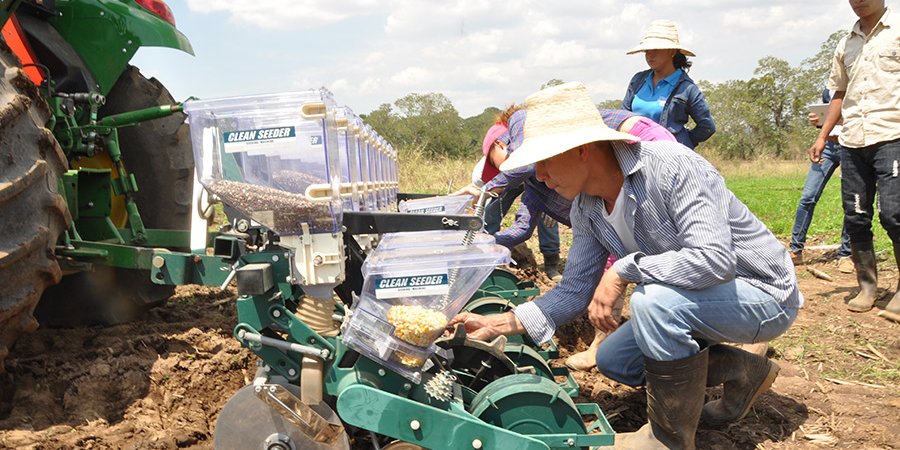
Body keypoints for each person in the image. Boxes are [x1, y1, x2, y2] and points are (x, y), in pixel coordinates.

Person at [450, 82, 800, 449]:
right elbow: (573, 292)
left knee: (653, 302)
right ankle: (744, 371)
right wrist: (495, 323)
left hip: (762, 294)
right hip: (697, 301)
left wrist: (623, 270)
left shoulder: (673, 166)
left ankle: (668, 440)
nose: (538, 176)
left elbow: (713, 260)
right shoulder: (586, 208)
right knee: (615, 360)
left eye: (544, 161)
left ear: (581, 149)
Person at [809, 0, 899, 320]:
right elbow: (839, 93)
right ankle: (868, 286)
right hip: (853, 141)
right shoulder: (845, 43)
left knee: (893, 213)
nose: (857, 1)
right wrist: (822, 136)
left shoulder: (897, 32)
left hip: (892, 137)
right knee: (857, 216)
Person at [622, 19, 715, 150]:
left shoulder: (687, 89)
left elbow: (707, 127)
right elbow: (623, 116)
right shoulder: (638, 80)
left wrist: (682, 142)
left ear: (672, 52)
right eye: (646, 50)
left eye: (655, 49)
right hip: (634, 154)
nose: (649, 54)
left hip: (669, 157)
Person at [790, 89, 852, 272]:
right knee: (808, 196)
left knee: (850, 201)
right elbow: (829, 120)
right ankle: (796, 249)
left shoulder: (859, 84)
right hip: (829, 147)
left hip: (852, 146)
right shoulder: (829, 90)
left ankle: (846, 254)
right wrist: (818, 123)